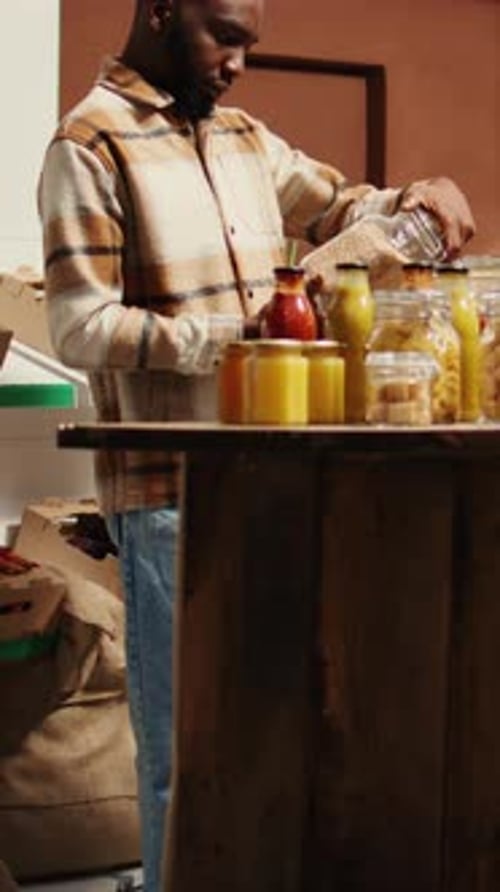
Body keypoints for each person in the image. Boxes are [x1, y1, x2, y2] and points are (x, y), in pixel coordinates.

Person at [38, 1, 476, 889]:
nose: (238, 62)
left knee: (280, 741)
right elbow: (80, 325)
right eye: (223, 38)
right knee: (184, 754)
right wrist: (231, 341)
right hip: (169, 491)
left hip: (282, 475)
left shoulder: (244, 137)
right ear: (160, 12)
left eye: (249, 45)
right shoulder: (88, 147)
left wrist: (419, 199)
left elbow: (345, 206)